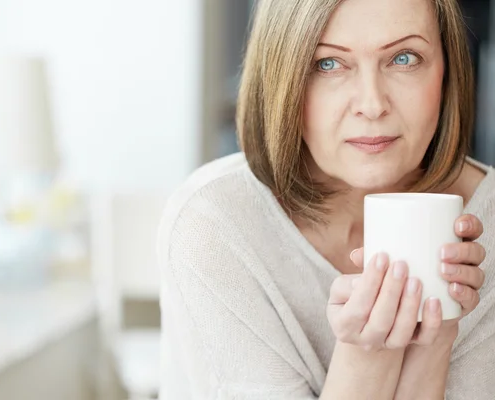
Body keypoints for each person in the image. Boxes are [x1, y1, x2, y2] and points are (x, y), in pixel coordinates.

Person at [157, 0, 495, 398]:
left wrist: (433, 339)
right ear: (282, 76)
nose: (372, 105)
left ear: (447, 71)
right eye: (328, 64)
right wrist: (365, 354)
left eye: (404, 57)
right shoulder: (216, 225)